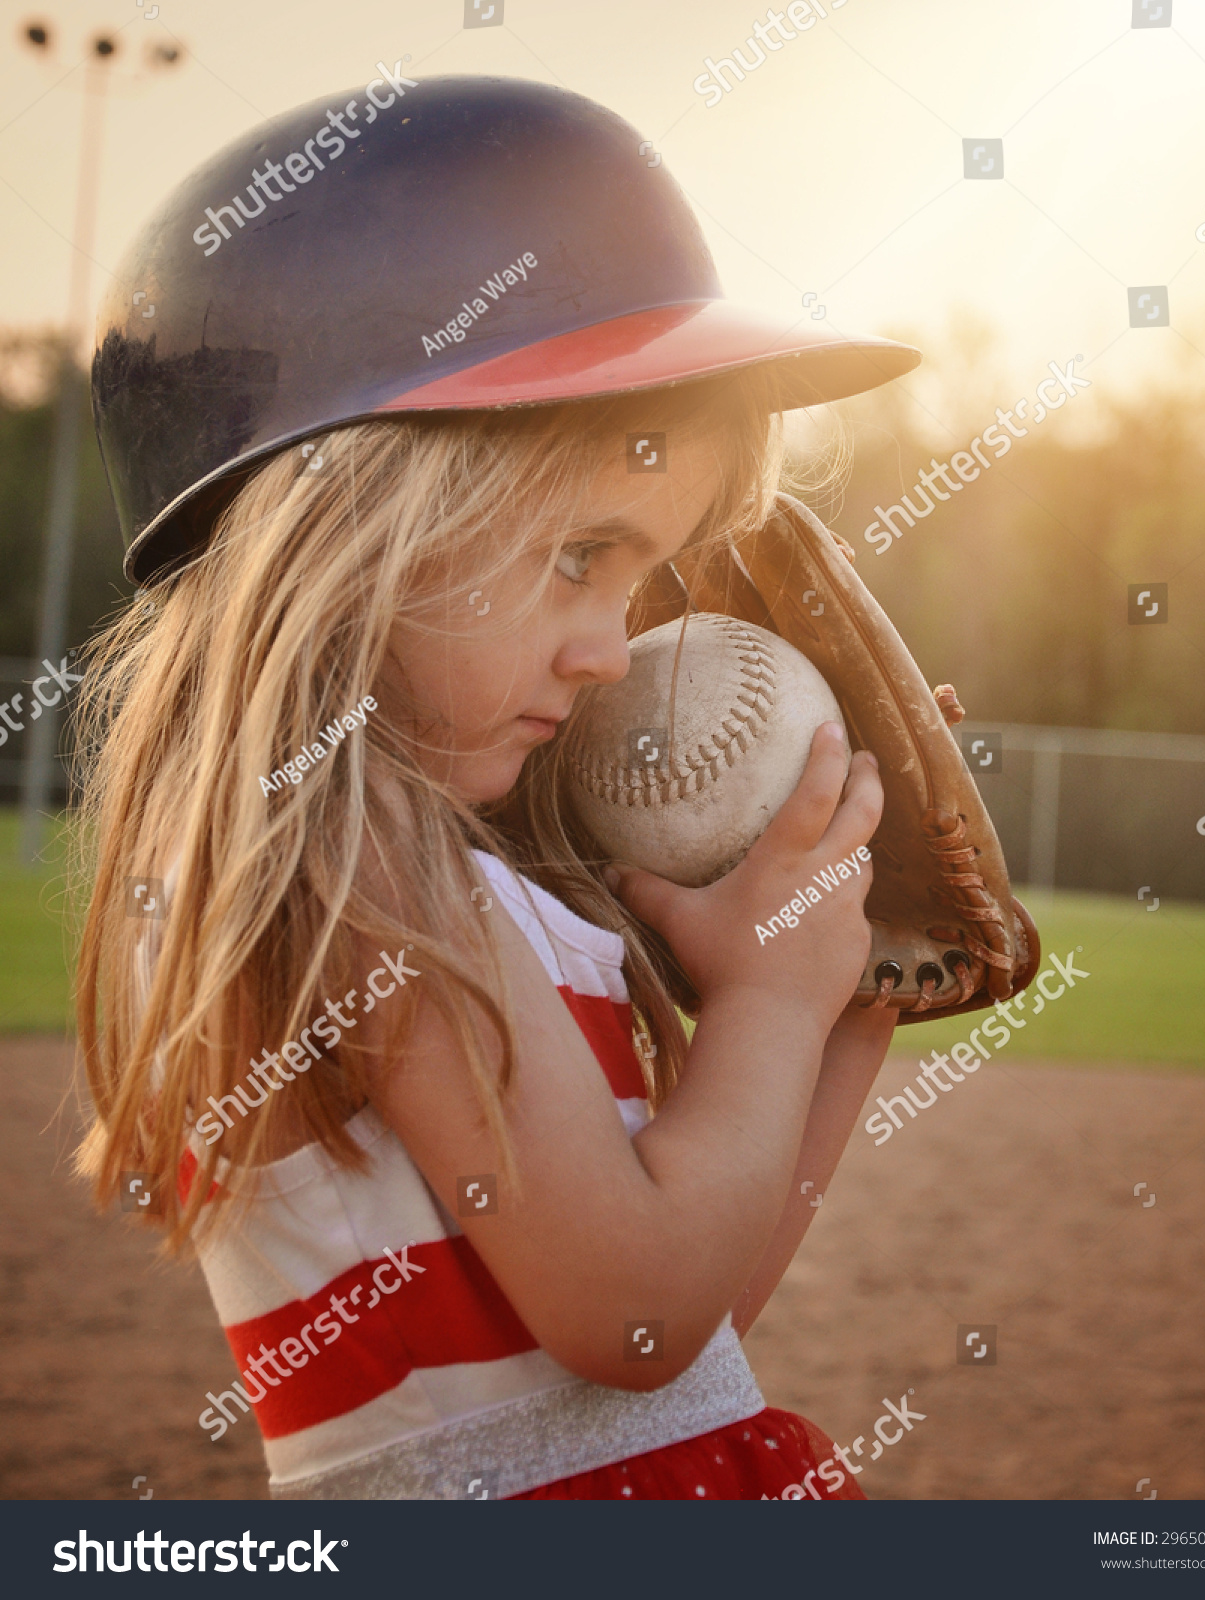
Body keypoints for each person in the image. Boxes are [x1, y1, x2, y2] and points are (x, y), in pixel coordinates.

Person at [73, 75, 916, 1500]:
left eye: (640, 574)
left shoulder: (424, 872)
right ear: (351, 530)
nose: (610, 650)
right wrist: (768, 1006)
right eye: (581, 555)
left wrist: (839, 1004)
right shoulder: (353, 867)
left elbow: (686, 1330)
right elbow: (633, 1317)